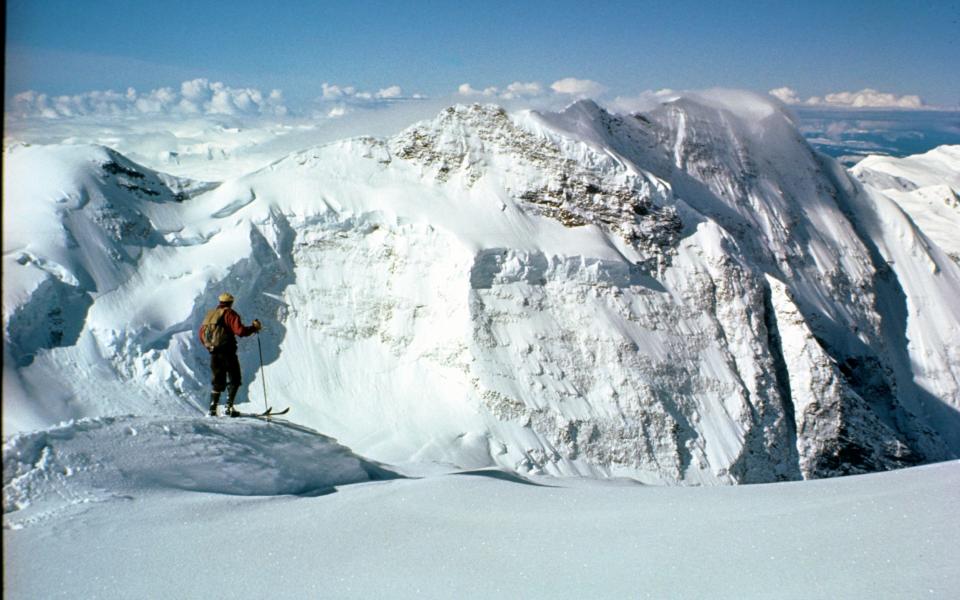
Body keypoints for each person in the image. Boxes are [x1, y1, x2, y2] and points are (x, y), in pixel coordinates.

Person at [198, 292, 262, 417]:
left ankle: (212, 409)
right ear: (231, 302)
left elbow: (201, 335)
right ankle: (228, 408)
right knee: (235, 379)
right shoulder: (230, 314)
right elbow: (240, 331)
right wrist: (254, 328)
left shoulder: (210, 315)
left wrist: (210, 347)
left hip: (214, 352)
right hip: (227, 352)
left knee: (218, 381)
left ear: (220, 302)